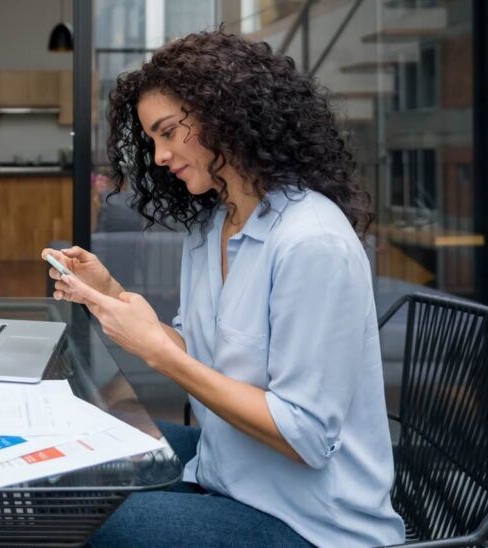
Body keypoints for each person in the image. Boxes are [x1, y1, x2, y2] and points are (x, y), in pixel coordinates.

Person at [42, 29, 406, 547]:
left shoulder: (311, 242)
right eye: (152, 141)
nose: (161, 155)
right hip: (227, 474)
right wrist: (112, 296)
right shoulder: (215, 225)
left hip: (312, 524)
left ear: (225, 114)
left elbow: (304, 435)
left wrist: (159, 353)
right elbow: (205, 357)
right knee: (77, 455)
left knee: (86, 519)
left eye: (168, 132)